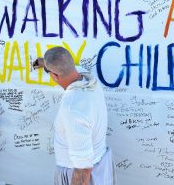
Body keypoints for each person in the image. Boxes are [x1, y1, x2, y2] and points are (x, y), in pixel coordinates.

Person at [33, 47, 116, 185]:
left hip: (81, 175)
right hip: (100, 163)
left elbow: (83, 169)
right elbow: (63, 66)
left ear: (54, 76)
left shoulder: (72, 109)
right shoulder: (88, 78)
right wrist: (43, 63)